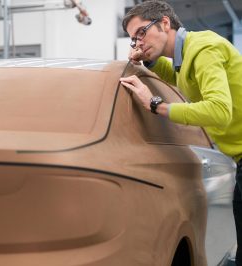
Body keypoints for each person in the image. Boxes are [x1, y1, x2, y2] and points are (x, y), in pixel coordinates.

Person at [119, 0, 242, 264]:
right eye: (133, 40)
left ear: (165, 23)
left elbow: (220, 111)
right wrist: (147, 64)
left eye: (141, 33)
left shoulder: (204, 48)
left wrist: (155, 105)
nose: (138, 43)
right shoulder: (185, 57)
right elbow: (178, 77)